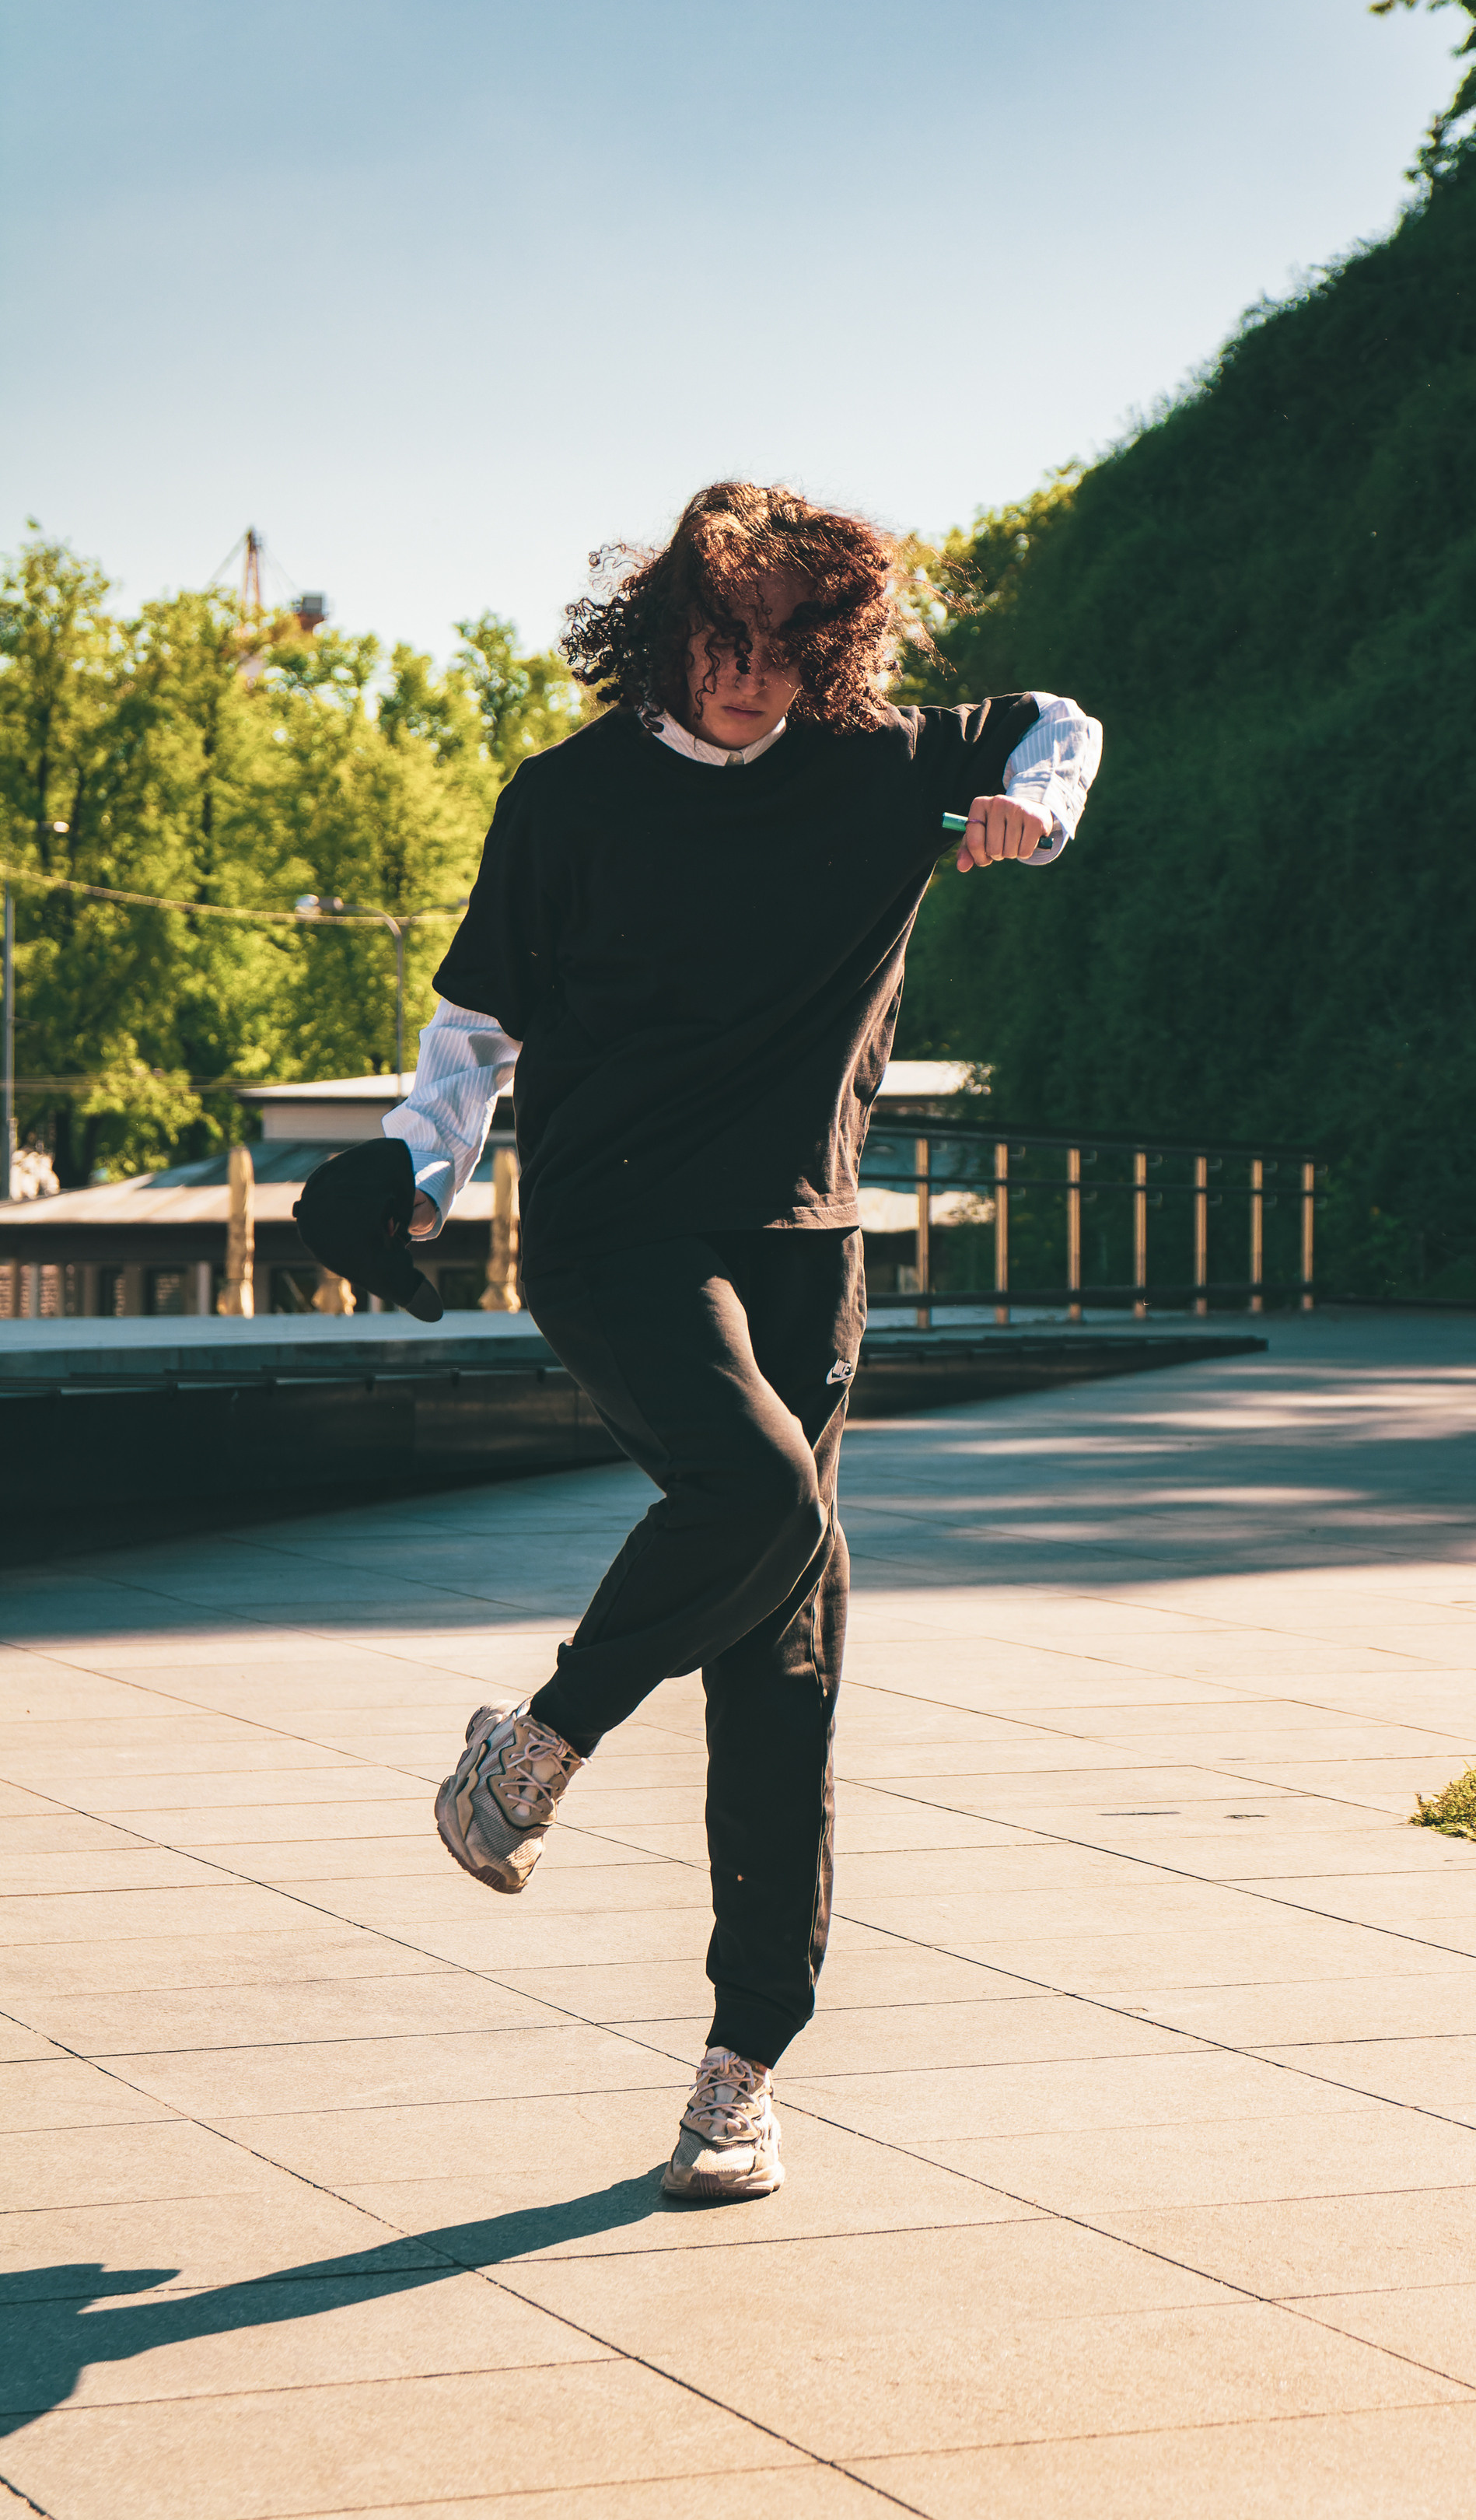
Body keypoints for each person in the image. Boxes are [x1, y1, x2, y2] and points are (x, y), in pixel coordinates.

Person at [380, 482, 1101, 2200]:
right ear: (665, 624)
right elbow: (475, 1025)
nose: (754, 677)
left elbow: (1059, 721)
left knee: (786, 1668)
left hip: (804, 1245)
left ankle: (740, 2063)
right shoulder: (568, 800)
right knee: (768, 1495)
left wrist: (1029, 807)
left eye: (791, 648)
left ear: (833, 646)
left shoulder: (878, 762)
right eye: (725, 639)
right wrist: (425, 1180)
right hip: (615, 1227)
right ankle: (542, 1743)